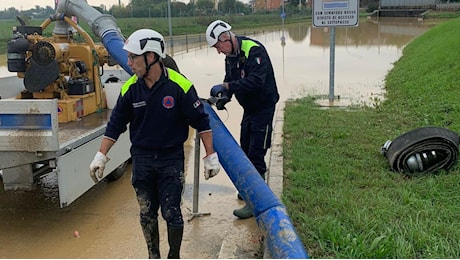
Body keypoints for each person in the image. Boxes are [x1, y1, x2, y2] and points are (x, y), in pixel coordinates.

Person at [89, 29, 220, 259]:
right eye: (128, 57)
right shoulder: (130, 88)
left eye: (133, 58)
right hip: (142, 159)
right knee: (146, 213)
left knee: (172, 213)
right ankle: (153, 256)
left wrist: (210, 156)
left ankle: (174, 256)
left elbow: (202, 122)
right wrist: (101, 155)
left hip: (171, 159)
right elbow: (116, 124)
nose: (129, 62)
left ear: (151, 57)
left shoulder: (181, 86)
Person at [206, 20, 280, 219]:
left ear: (226, 37)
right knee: (245, 147)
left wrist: (228, 87)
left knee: (257, 151)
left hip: (263, 107)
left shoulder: (254, 51)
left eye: (218, 46)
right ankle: (250, 189)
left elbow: (256, 81)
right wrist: (223, 97)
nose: (219, 51)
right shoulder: (230, 56)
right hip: (249, 108)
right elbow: (231, 80)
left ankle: (256, 201)